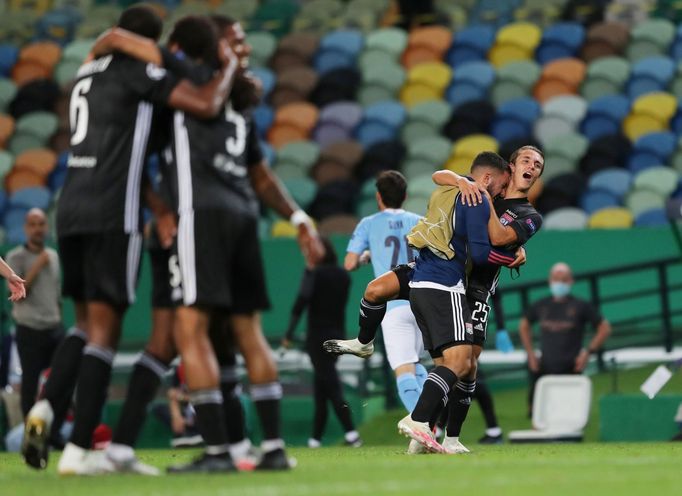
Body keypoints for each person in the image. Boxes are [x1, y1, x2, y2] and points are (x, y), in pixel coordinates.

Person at [23, 5, 239, 474]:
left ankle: (44, 408)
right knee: (106, 331)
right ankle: (79, 451)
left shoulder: (85, 73)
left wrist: (110, 39)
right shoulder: (142, 72)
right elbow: (199, 101)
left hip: (71, 206)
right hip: (112, 210)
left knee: (82, 325)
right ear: (151, 42)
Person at [396, 152, 520, 454]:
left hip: (419, 284)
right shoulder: (476, 199)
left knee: (448, 363)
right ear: (488, 179)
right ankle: (419, 420)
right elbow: (479, 255)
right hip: (446, 283)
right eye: (501, 186)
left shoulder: (448, 189)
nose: (501, 193)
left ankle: (423, 441)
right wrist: (511, 257)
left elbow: (438, 175)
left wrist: (454, 176)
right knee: (461, 361)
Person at [432, 145, 544, 450]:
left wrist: (484, 200)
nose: (531, 167)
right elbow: (437, 175)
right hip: (449, 278)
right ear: (510, 168)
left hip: (478, 290)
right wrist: (463, 182)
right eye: (526, 160)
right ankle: (430, 428)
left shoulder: (530, 215)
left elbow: (499, 237)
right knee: (447, 361)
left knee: (468, 363)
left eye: (537, 165)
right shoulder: (486, 187)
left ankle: (448, 435)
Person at [329, 171, 428, 413]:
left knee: (404, 369)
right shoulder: (419, 221)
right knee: (417, 365)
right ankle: (434, 420)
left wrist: (366, 255)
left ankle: (426, 428)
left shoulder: (369, 223)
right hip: (423, 302)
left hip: (393, 306)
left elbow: (349, 264)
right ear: (404, 196)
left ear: (378, 197)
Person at [282, 237, 362, 448]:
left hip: (317, 337)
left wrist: (288, 334)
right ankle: (315, 439)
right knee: (322, 387)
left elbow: (301, 301)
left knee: (331, 386)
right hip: (337, 336)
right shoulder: (343, 276)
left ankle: (352, 434)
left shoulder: (315, 274)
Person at [519, 262, 612, 415]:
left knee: (568, 412)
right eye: (556, 279)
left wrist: (588, 352)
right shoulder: (542, 305)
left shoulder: (581, 306)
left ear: (571, 281)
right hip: (545, 367)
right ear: (550, 281)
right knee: (538, 411)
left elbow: (604, 328)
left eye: (564, 279)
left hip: (571, 368)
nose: (559, 283)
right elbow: (524, 325)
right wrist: (530, 354)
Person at [6, 209, 63, 419]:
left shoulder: (54, 256)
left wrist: (58, 316)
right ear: (25, 228)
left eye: (41, 224)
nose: (38, 229)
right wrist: (37, 266)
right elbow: (18, 293)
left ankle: (54, 429)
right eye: (33, 224)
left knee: (61, 380)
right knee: (29, 383)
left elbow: (57, 293)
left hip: (54, 328)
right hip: (29, 328)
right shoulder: (15, 257)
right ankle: (29, 433)